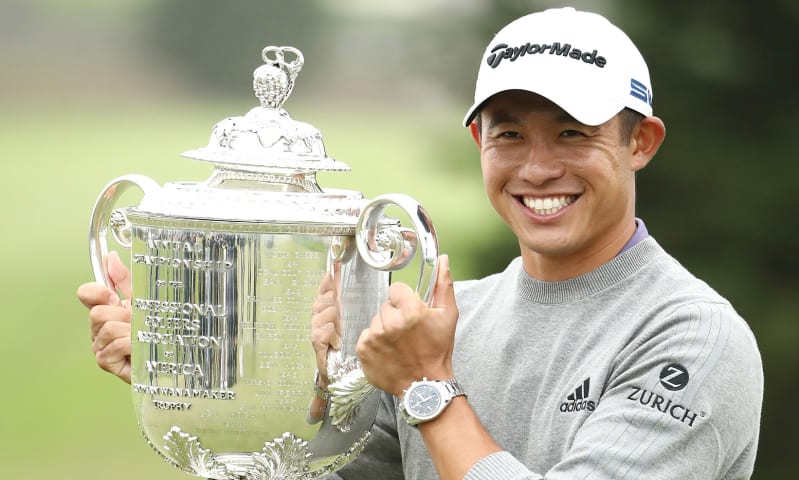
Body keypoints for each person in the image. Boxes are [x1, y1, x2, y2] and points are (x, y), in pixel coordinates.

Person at [78, 7, 763, 479]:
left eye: (573, 133)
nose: (538, 167)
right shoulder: (457, 317)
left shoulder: (692, 338)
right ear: (479, 142)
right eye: (510, 132)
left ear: (640, 142)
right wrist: (196, 375)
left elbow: (430, 391)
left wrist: (428, 386)